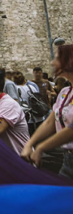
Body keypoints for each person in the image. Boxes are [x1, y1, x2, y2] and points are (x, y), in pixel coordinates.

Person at [22, 45, 73, 177]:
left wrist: (41, 147)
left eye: (57, 59)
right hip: (68, 159)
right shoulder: (65, 92)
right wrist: (30, 144)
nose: (52, 63)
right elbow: (50, 122)